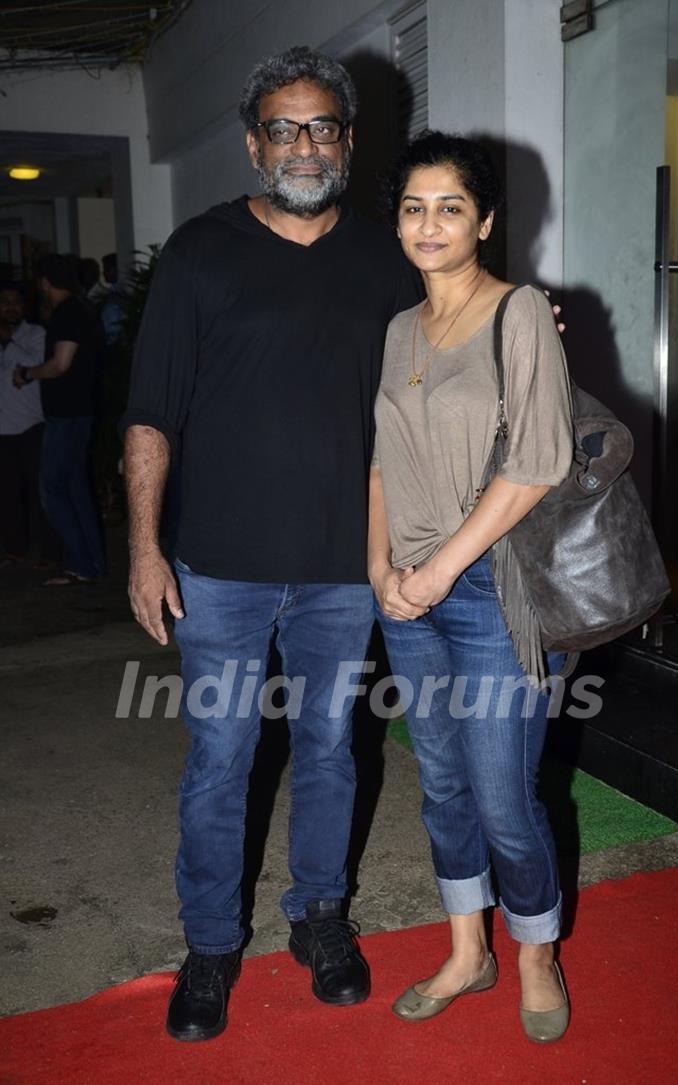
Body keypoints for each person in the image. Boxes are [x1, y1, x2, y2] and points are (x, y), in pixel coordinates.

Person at [121, 46, 423, 1043]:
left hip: (346, 568)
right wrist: (143, 548)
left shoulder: (385, 259)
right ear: (255, 144)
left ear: (346, 139)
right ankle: (211, 942)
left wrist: (526, 324)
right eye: (285, 127)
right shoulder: (202, 254)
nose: (305, 145)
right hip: (218, 568)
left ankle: (320, 916)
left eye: (323, 126)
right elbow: (152, 414)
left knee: (334, 746)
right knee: (224, 753)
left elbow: (452, 351)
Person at [369, 132, 574, 1043]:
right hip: (406, 594)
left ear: (484, 220)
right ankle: (468, 950)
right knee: (443, 785)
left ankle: (534, 947)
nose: (429, 223)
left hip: (491, 593)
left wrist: (438, 569)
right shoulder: (395, 328)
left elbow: (536, 463)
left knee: (503, 794)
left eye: (450, 206)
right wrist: (381, 571)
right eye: (414, 206)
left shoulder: (518, 311)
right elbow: (381, 463)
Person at [13, 254, 106, 584]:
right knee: (75, 489)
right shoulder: (82, 310)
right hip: (79, 412)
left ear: (45, 283)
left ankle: (80, 563)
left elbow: (61, 364)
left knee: (52, 488)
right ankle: (91, 564)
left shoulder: (68, 314)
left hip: (67, 415)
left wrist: (27, 373)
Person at [0, 283, 53, 565]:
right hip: (2, 428)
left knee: (38, 492)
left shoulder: (36, 333)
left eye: (15, 302)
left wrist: (9, 340)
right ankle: (15, 550)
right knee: (7, 495)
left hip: (30, 424)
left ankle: (47, 551)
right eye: (4, 301)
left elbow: (38, 364)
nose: (10, 307)